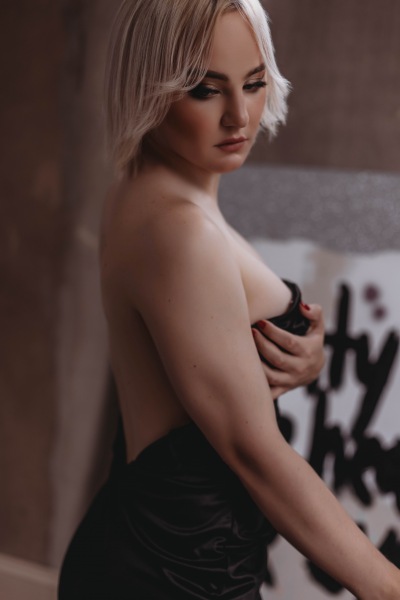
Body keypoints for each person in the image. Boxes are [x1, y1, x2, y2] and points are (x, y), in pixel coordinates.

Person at [58, 1, 400, 599]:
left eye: (255, 83)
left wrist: (299, 359)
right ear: (150, 85)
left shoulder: (143, 190)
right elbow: (251, 450)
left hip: (160, 545)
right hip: (179, 571)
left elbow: (195, 368)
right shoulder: (180, 231)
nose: (239, 116)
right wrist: (386, 584)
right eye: (205, 90)